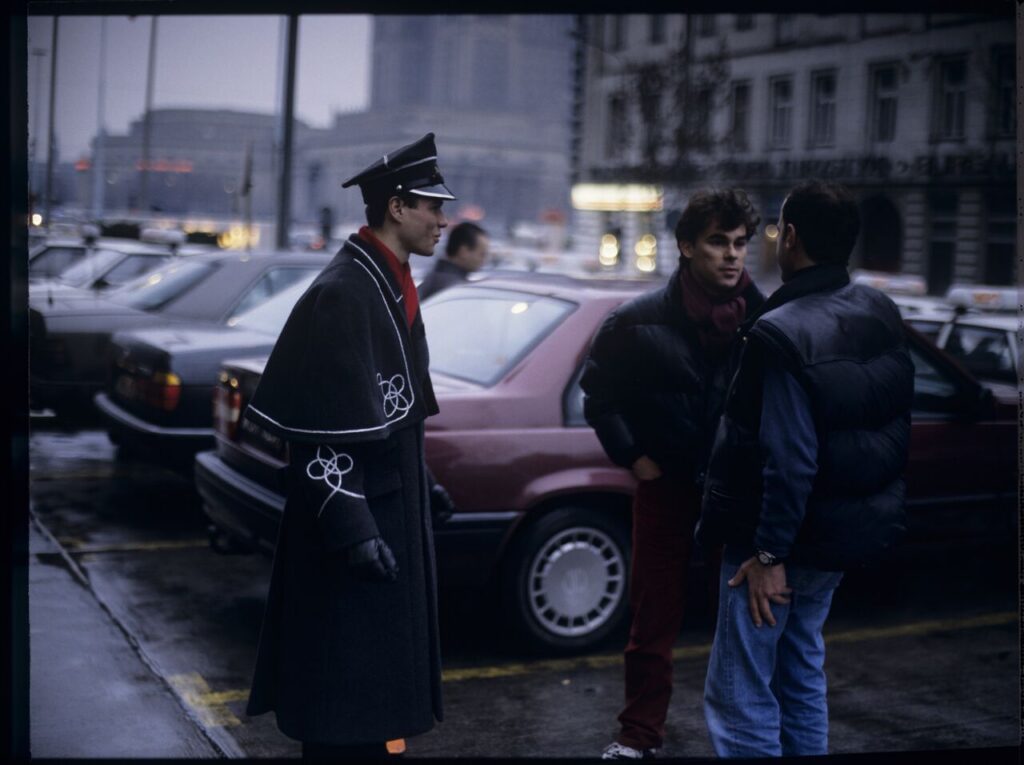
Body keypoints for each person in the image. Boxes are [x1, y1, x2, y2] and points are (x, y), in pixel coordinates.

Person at [242, 133, 457, 759]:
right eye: (431, 206)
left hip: (386, 515)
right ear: (396, 207)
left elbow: (393, 412)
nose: (444, 220)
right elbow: (317, 439)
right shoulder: (345, 292)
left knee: (373, 703)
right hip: (354, 533)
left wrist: (428, 486)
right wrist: (354, 531)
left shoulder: (387, 280)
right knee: (343, 706)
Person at [696, 180, 914, 757]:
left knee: (741, 692)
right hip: (836, 537)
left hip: (774, 546)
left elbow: (789, 460)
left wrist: (769, 554)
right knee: (800, 673)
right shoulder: (877, 310)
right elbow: (888, 427)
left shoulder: (781, 332)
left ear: (790, 237)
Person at [580, 189, 765, 760]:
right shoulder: (637, 321)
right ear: (686, 247)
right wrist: (637, 459)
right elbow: (599, 394)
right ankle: (639, 736)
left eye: (739, 244)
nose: (732, 256)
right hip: (667, 488)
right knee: (653, 616)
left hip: (737, 494)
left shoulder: (766, 323)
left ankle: (745, 739)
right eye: (717, 242)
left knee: (745, 621)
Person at [417, 221, 489, 300]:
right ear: (463, 252)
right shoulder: (453, 288)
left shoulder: (436, 278)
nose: (484, 260)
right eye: (482, 254)